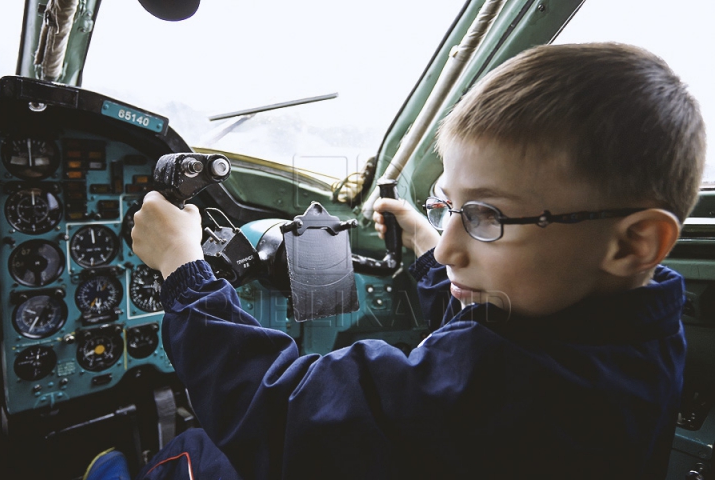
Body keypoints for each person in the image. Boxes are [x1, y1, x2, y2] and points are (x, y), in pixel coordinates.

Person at [125, 42, 705, 479]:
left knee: (201, 454)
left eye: (485, 217)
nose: (451, 246)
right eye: (447, 206)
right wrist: (426, 246)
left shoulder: (511, 383)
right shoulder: (635, 322)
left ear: (633, 244)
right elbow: (484, 318)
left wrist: (184, 270)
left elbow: (282, 413)